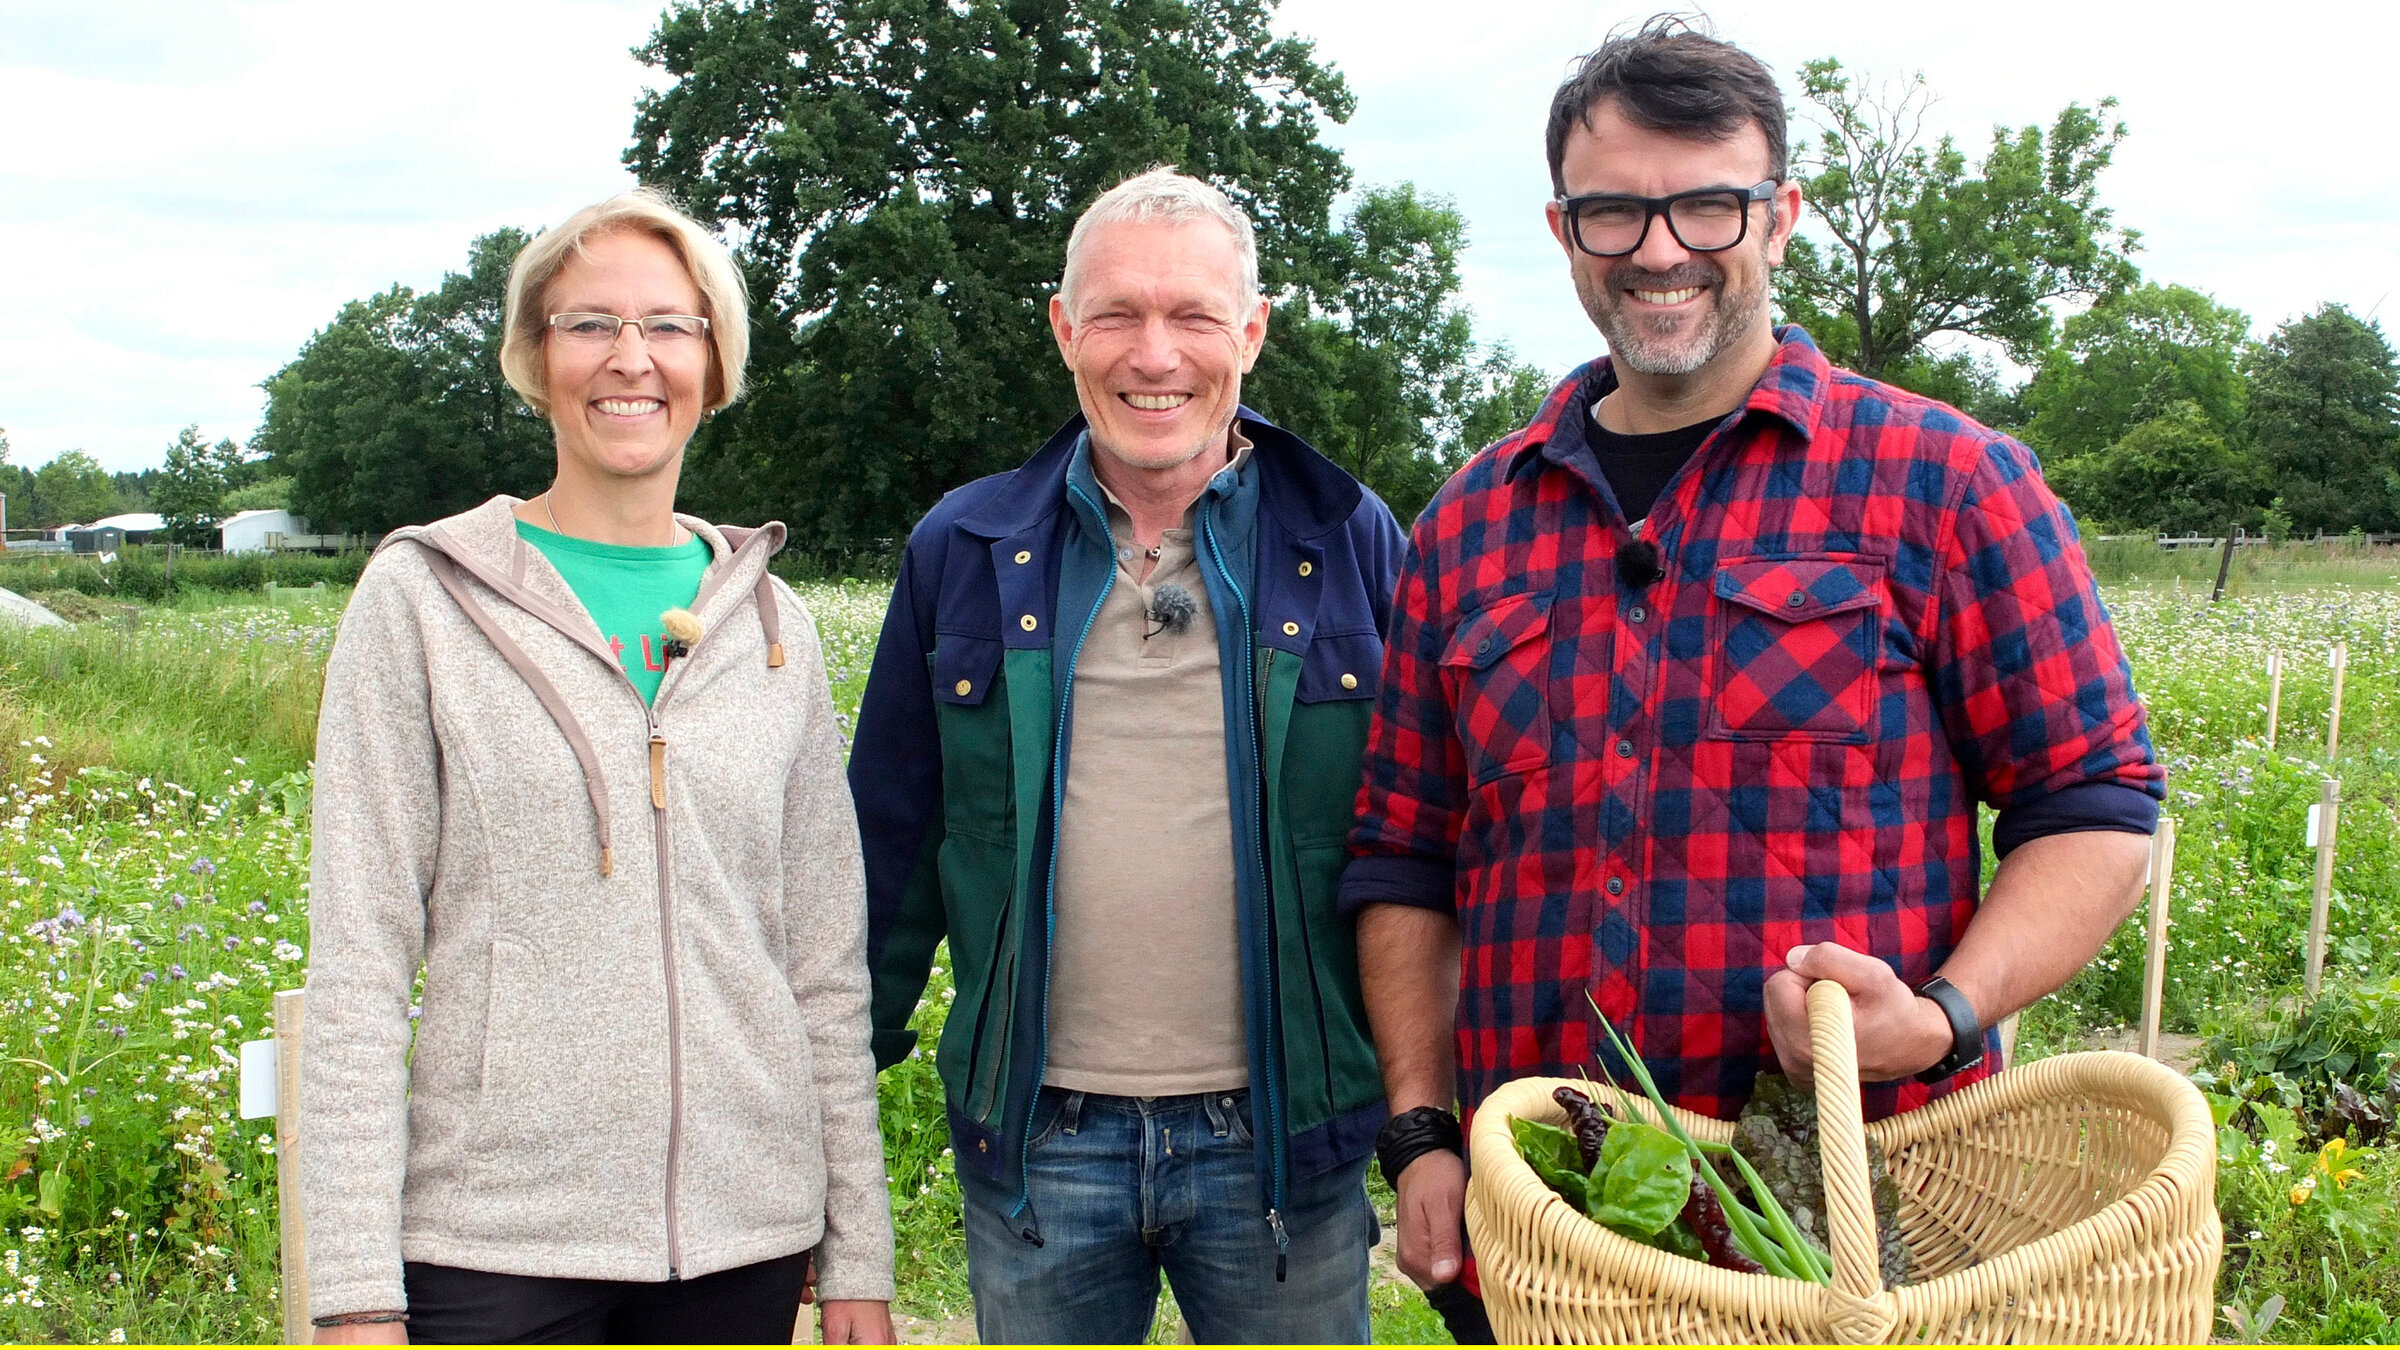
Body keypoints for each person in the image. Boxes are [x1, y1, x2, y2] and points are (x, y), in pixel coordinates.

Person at [1343, 15, 2165, 1318]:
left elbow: (2098, 808)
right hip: (1547, 1220)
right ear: (1565, 233)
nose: (1660, 251)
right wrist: (1421, 1130)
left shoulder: (1944, 484)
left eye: (1707, 207)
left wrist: (1942, 1013)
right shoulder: (1467, 526)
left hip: (1846, 1219)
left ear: (1779, 216)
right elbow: (1403, 858)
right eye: (1613, 213)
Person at [299, 189, 896, 1345]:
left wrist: (857, 1254)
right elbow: (359, 967)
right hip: (496, 1246)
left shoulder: (774, 625)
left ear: (714, 365)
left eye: (670, 326)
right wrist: (356, 1295)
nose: (633, 360)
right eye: (589, 325)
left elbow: (826, 972)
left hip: (746, 1240)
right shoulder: (420, 602)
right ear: (532, 357)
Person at [849, 167, 1404, 1344]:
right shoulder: (963, 547)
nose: (1156, 355)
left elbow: (1417, 847)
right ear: (1065, 330)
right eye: (1117, 315)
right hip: (1043, 1143)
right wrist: (831, 1102)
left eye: (1194, 315)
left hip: (1282, 1143)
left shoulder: (1350, 537)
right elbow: (886, 854)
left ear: (1250, 332)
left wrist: (1428, 1110)